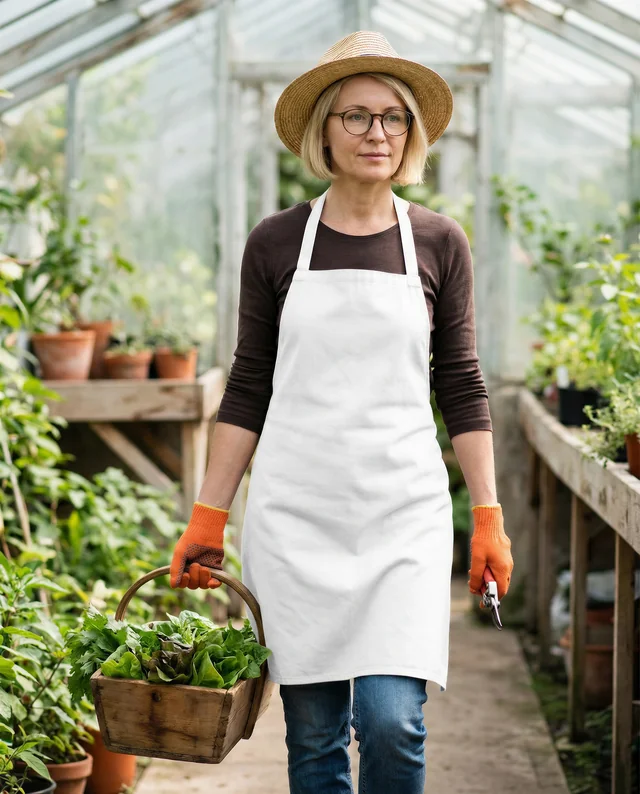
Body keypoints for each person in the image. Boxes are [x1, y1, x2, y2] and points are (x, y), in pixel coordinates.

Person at [170, 30, 514, 794]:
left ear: (412, 133)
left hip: (402, 514)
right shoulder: (276, 243)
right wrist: (208, 515)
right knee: (316, 737)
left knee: (395, 723)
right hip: (297, 515)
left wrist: (486, 513)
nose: (377, 133)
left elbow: (459, 381)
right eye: (356, 116)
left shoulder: (437, 241)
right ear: (324, 127)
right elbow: (248, 384)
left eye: (392, 117)